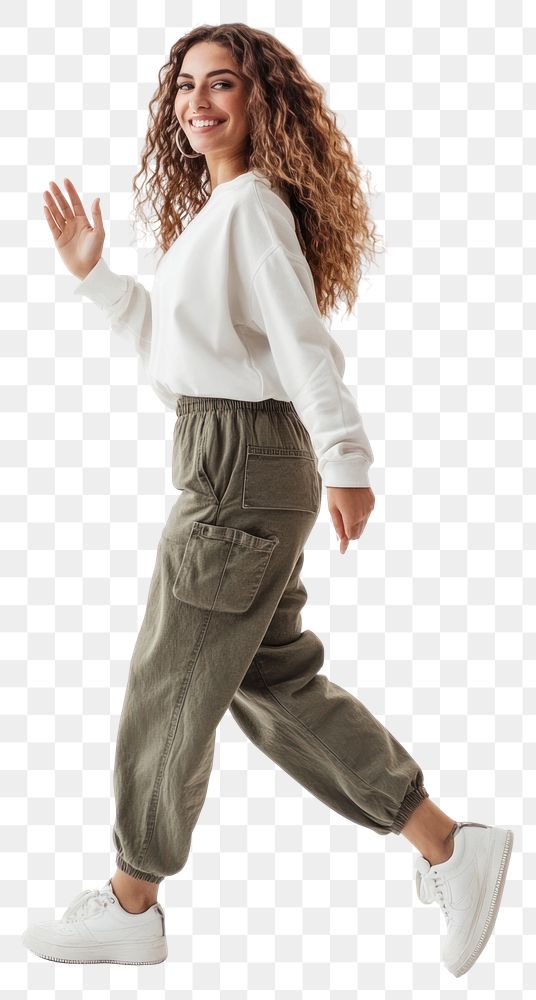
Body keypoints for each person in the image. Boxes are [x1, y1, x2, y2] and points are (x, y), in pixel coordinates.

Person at [23, 22, 513, 978]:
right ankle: (449, 845)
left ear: (262, 102)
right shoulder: (221, 214)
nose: (199, 102)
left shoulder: (250, 209)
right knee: (268, 680)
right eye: (187, 87)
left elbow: (298, 342)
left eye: (224, 85)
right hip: (229, 452)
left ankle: (132, 901)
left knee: (171, 682)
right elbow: (179, 356)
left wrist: (347, 457)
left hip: (240, 466)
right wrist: (95, 277)